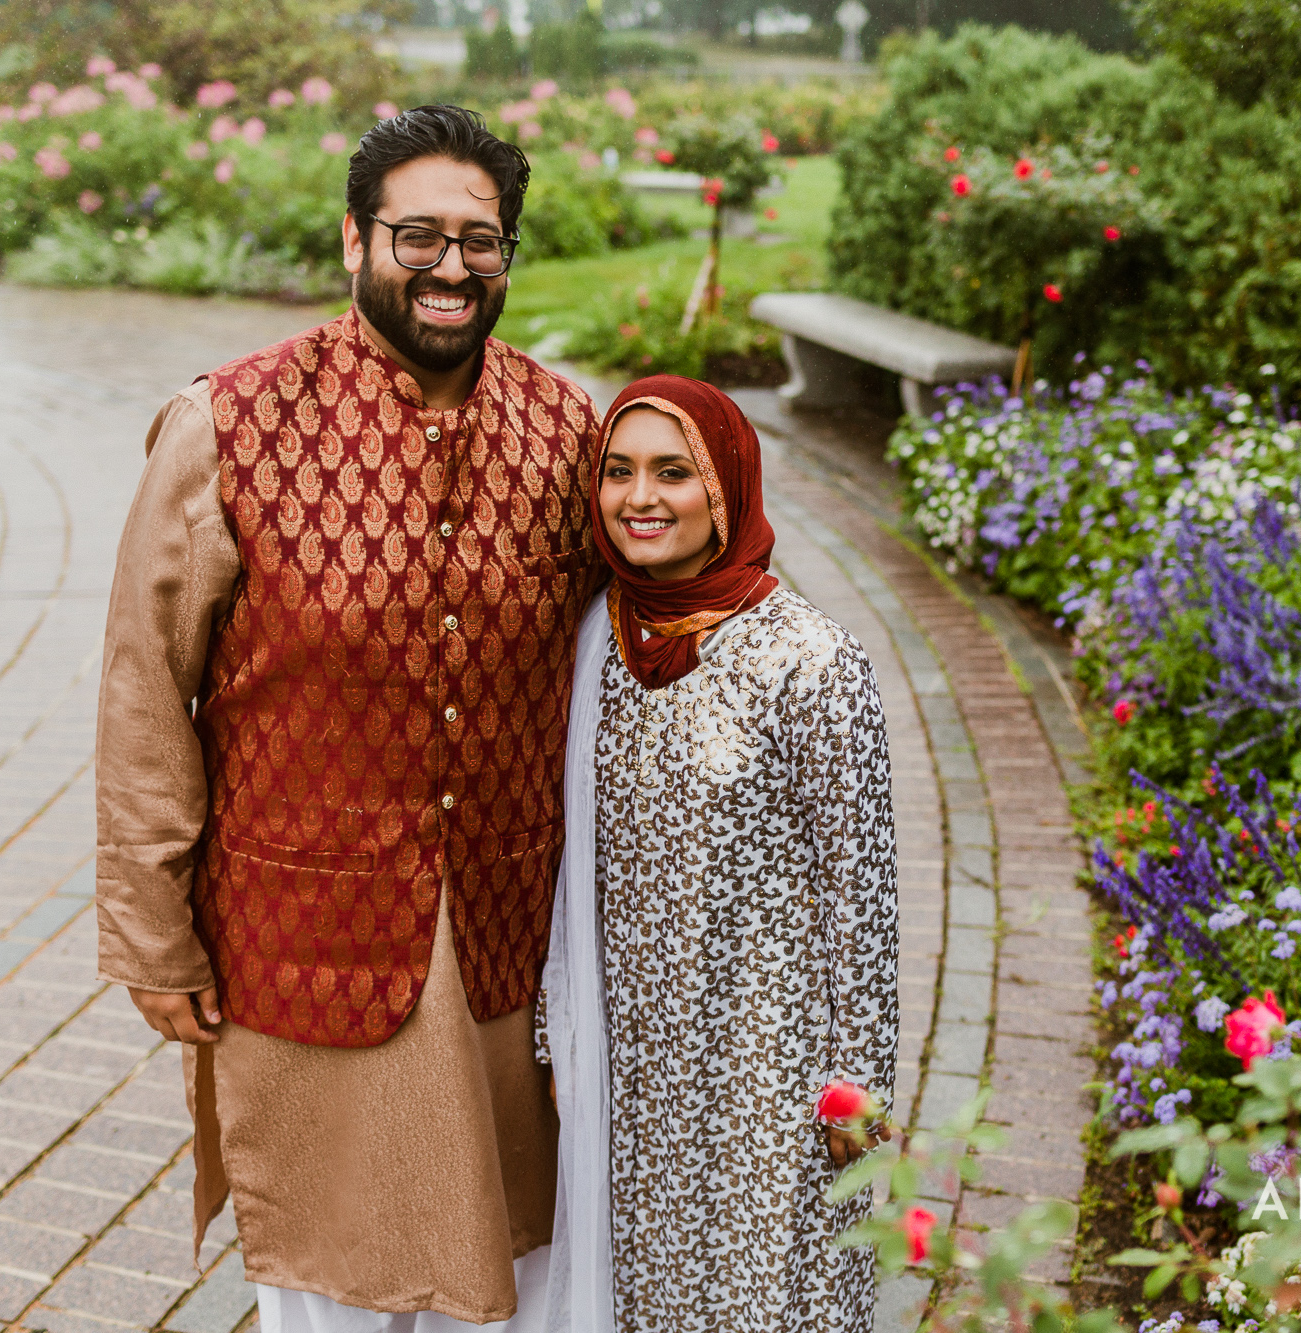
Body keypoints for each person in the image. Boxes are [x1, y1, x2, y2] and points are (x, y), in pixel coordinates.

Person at [94, 105, 603, 1330]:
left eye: (480, 240)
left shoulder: (569, 429)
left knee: (509, 1257)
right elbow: (145, 687)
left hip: (499, 933)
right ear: (352, 241)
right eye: (416, 235)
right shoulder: (226, 425)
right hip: (298, 932)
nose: (449, 267)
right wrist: (151, 936)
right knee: (327, 1281)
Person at [537, 376, 900, 1333]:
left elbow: (860, 906)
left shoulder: (811, 663)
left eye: (672, 471)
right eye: (616, 473)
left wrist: (856, 1098)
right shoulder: (600, 639)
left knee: (765, 1301)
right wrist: (554, 1036)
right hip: (634, 1068)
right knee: (645, 1297)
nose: (639, 497)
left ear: (727, 486)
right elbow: (562, 866)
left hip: (765, 1070)